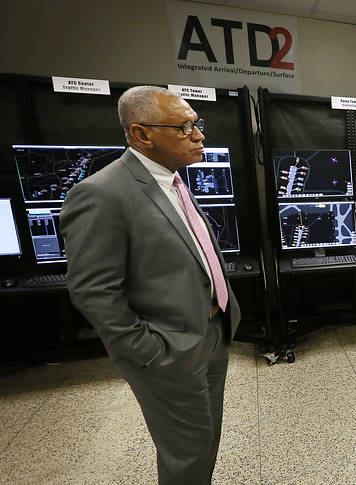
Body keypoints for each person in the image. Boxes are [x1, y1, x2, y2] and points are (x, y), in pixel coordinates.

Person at [62, 85, 241, 484]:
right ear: (142, 134)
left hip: (211, 332)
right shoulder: (100, 194)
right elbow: (93, 290)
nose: (199, 136)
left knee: (204, 439)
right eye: (183, 127)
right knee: (185, 452)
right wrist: (149, 352)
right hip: (168, 350)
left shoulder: (173, 180)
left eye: (197, 124)